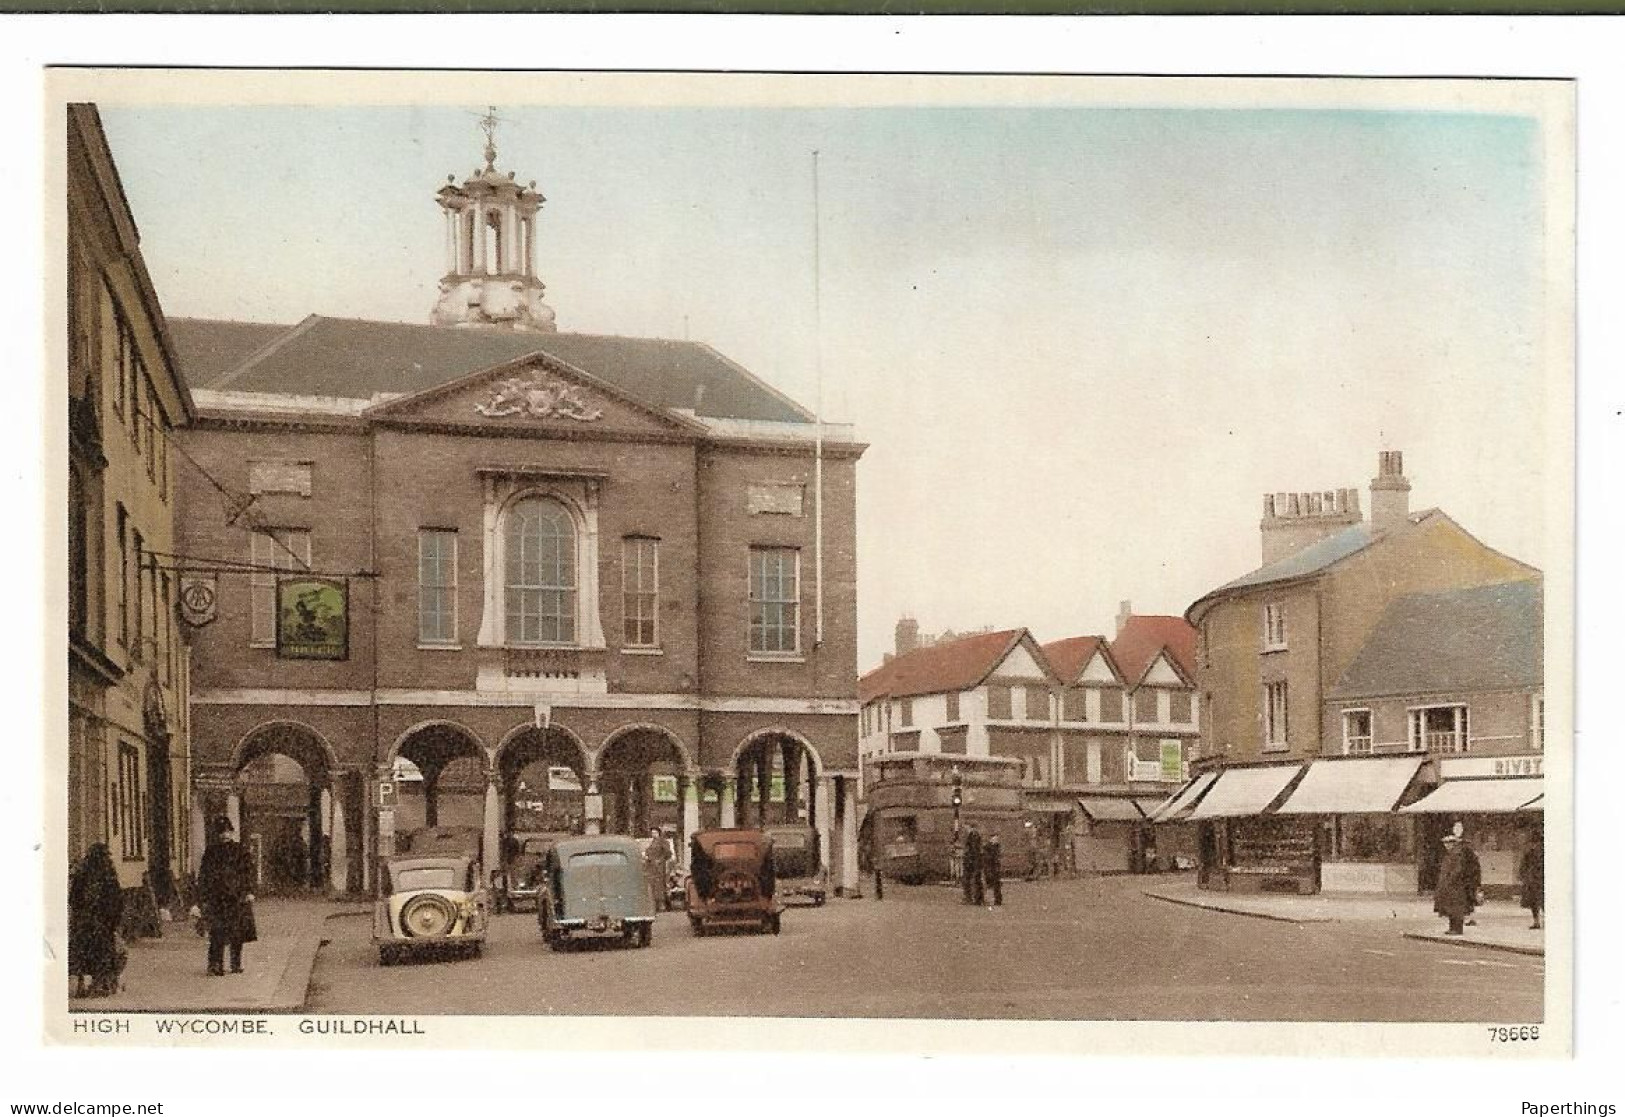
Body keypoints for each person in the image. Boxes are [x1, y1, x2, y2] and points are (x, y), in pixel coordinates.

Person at [196, 816, 257, 976]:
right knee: (217, 931)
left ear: (232, 832)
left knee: (237, 931)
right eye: (221, 832)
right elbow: (204, 875)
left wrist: (249, 891)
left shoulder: (240, 850)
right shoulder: (211, 851)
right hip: (217, 897)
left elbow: (248, 872)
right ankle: (216, 964)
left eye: (227, 831)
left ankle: (236, 963)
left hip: (236, 896)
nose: (224, 835)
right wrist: (203, 897)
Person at [68, 844, 125, 998]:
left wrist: (79, 916)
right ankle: (101, 983)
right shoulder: (108, 875)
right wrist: (114, 921)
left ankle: (83, 984)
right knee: (103, 953)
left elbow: (73, 899)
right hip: (102, 923)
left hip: (84, 922)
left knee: (82, 954)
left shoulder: (82, 874)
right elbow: (117, 900)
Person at [1433, 831, 1475, 936]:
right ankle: (1452, 928)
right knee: (1450, 908)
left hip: (1455, 886)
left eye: (1448, 843)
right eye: (1445, 843)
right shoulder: (1450, 854)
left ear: (1453, 843)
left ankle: (1457, 929)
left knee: (1456, 908)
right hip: (1449, 886)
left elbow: (1458, 870)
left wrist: (1450, 880)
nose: (1446, 845)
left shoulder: (1457, 855)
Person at [1518, 833, 1544, 930]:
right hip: (1533, 881)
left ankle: (1537, 921)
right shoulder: (1530, 853)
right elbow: (1523, 866)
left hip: (1537, 881)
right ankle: (1537, 921)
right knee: (1535, 902)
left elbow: (1523, 866)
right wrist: (1523, 876)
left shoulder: (1537, 853)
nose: (1536, 845)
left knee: (1538, 902)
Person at [643, 827, 672, 911]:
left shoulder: (663, 842)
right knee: (652, 885)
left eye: (655, 833)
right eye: (652, 833)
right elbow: (648, 852)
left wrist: (660, 860)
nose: (653, 834)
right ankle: (655, 904)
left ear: (659, 833)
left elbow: (668, 853)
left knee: (660, 885)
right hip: (651, 867)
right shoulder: (652, 842)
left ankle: (662, 904)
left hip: (659, 867)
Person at [962, 825, 984, 906]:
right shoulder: (974, 836)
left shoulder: (974, 836)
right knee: (974, 880)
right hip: (973, 861)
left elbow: (973, 849)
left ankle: (975, 899)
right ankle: (976, 898)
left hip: (972, 861)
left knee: (973, 880)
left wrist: (969, 857)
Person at [982, 833, 1003, 907]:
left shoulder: (996, 846)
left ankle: (997, 900)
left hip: (995, 868)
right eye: (995, 839)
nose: (997, 840)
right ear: (991, 839)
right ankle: (986, 899)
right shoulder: (988, 847)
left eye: (997, 839)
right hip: (990, 868)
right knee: (988, 885)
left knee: (996, 885)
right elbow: (987, 859)